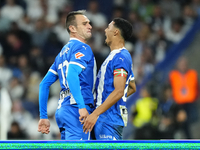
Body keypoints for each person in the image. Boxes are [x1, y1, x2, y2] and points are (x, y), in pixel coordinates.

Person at [37, 10, 96, 140]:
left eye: (89, 23)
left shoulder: (61, 54)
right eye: (85, 23)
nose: (90, 26)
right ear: (72, 28)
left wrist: (43, 116)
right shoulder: (83, 48)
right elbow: (71, 75)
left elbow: (43, 84)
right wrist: (81, 106)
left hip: (63, 109)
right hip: (77, 110)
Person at [83, 18, 136, 140]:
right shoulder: (117, 56)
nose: (105, 31)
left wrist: (96, 113)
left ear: (116, 32)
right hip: (105, 117)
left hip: (108, 120)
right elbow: (132, 87)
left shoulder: (120, 57)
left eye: (108, 28)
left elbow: (119, 91)